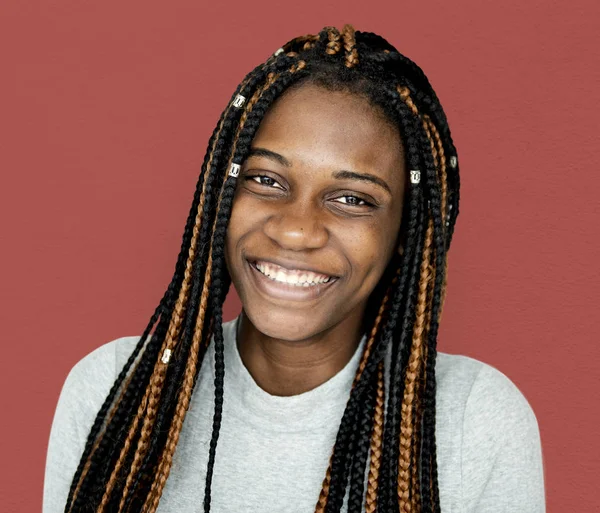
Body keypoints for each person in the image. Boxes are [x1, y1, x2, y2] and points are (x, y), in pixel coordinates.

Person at [43, 24, 546, 513]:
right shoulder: (115, 388)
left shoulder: (472, 418)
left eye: (352, 198)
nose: (297, 230)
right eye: (266, 179)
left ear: (404, 235)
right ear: (221, 196)